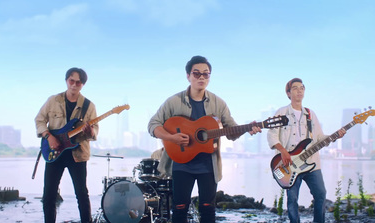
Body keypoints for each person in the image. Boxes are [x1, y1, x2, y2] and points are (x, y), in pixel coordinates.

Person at [148, 55, 261, 223]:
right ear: (188, 76)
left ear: (209, 77)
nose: (201, 77)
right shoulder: (174, 102)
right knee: (179, 209)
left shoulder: (218, 103)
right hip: (181, 164)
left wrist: (247, 128)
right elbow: (153, 124)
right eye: (196, 73)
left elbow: (231, 131)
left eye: (206, 74)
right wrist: (172, 137)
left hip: (208, 165)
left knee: (208, 210)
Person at [267, 78, 346, 223]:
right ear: (288, 93)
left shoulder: (311, 114)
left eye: (302, 88)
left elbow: (319, 138)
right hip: (289, 164)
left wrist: (334, 136)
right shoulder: (281, 112)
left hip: (311, 162)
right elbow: (272, 135)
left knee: (321, 194)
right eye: (295, 88)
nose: (299, 90)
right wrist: (283, 151)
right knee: (292, 199)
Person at [35, 67, 98, 223]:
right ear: (66, 81)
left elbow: (94, 132)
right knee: (49, 194)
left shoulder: (89, 106)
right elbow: (39, 120)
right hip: (54, 151)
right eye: (72, 81)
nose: (74, 85)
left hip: (77, 154)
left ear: (83, 84)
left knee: (82, 194)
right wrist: (49, 136)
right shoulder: (53, 100)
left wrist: (90, 132)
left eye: (78, 82)